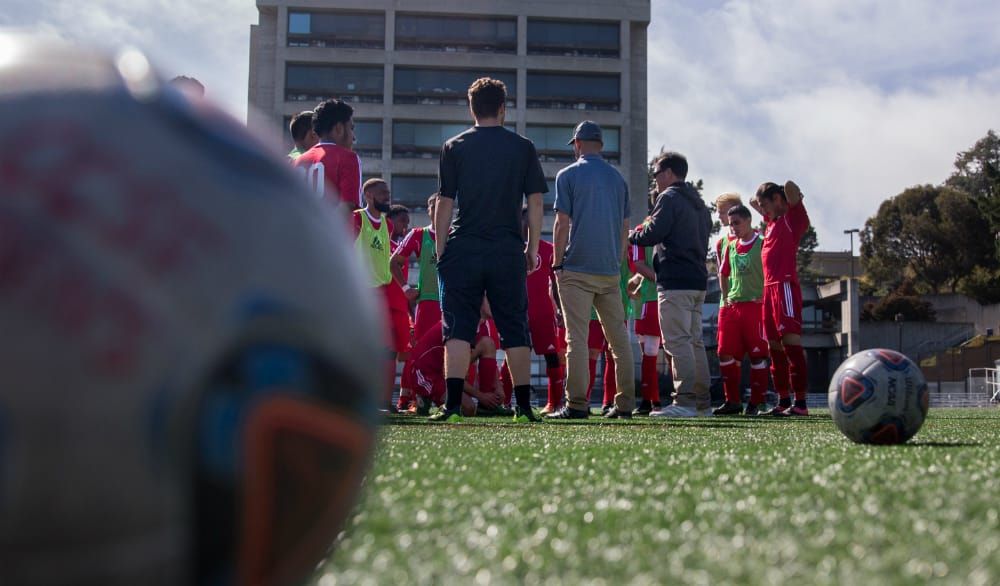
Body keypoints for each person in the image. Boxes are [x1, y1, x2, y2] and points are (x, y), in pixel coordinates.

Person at [432, 77, 548, 422]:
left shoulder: (454, 146)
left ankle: (452, 406)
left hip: (463, 246)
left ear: (472, 108)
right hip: (506, 248)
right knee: (514, 325)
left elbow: (443, 202)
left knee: (458, 327)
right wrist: (530, 248)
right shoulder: (522, 147)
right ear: (503, 108)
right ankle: (524, 407)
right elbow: (537, 201)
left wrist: (440, 250)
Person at [549, 120, 635, 420]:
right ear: (600, 144)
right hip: (609, 271)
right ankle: (624, 405)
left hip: (577, 269)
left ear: (577, 144)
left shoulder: (568, 175)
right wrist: (617, 261)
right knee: (619, 340)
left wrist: (557, 263)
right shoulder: (618, 179)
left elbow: (562, 223)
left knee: (577, 340)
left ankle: (576, 405)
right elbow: (625, 228)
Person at [629, 151, 712, 417]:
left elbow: (653, 233)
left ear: (668, 173)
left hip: (675, 280)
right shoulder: (697, 203)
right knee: (695, 342)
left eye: (656, 175)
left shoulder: (669, 197)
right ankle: (701, 403)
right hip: (697, 281)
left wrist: (634, 235)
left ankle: (685, 401)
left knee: (677, 342)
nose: (654, 181)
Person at [750, 180, 811, 416]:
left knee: (791, 346)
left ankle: (801, 403)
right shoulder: (772, 223)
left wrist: (787, 198)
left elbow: (791, 190)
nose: (762, 210)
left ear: (777, 200)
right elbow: (754, 202)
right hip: (768, 290)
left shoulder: (791, 219)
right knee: (773, 347)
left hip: (784, 287)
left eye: (766, 205)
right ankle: (783, 400)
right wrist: (763, 205)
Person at [351, 179, 411, 412]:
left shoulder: (387, 225)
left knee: (388, 349)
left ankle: (383, 402)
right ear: (368, 195)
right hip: (362, 291)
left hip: (382, 293)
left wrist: (403, 288)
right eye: (382, 193)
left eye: (388, 193)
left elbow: (387, 263)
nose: (387, 197)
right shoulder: (356, 218)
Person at [502, 206, 564, 415]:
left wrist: (560, 309)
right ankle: (505, 402)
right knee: (513, 355)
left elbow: (556, 283)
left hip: (543, 313)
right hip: (516, 312)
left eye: (529, 220)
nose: (526, 224)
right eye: (522, 220)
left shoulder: (548, 249)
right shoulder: (508, 249)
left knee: (552, 356)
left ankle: (554, 402)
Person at [714, 204, 771, 415]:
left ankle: (756, 402)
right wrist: (726, 295)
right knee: (724, 353)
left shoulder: (762, 243)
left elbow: (771, 273)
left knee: (757, 356)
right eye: (731, 224)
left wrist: (764, 297)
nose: (734, 228)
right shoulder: (730, 245)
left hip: (755, 308)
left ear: (748, 221)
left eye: (737, 223)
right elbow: (723, 273)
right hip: (733, 307)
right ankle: (733, 402)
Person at [293, 98, 362, 211]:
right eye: (351, 128)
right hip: (327, 228)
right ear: (339, 128)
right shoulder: (348, 158)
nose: (354, 137)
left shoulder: (298, 161)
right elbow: (348, 207)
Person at [628, 238, 664, 415]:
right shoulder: (638, 234)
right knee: (649, 354)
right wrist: (635, 280)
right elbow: (640, 269)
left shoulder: (640, 234)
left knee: (652, 353)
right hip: (645, 300)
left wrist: (664, 280)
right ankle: (653, 400)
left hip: (653, 298)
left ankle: (649, 401)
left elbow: (641, 266)